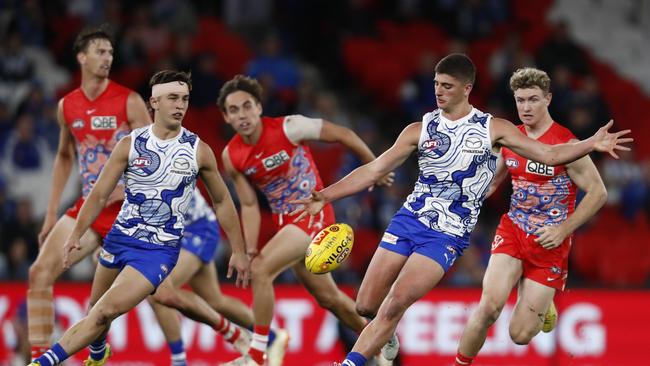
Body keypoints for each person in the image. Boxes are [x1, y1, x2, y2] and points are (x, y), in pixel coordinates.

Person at [292, 53, 632, 366]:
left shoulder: (494, 129)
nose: (439, 92)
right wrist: (326, 195)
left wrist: (591, 143)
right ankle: (386, 331)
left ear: (467, 88)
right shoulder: (419, 129)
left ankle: (352, 362)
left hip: (447, 233)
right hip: (409, 219)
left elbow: (549, 155)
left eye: (447, 86)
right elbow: (375, 169)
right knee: (366, 305)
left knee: (397, 303)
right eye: (437, 85)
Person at [28, 70, 250, 366]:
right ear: (154, 102)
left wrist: (237, 249)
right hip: (119, 237)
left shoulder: (199, 151)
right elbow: (98, 195)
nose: (179, 105)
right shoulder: (130, 145)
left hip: (157, 251)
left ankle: (41, 363)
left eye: (184, 98)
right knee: (96, 310)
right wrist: (75, 234)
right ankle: (97, 354)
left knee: (103, 312)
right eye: (172, 98)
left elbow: (222, 200)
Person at [218, 75, 394, 366]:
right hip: (286, 224)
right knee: (331, 300)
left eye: (247, 106)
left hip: (314, 214)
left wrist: (375, 167)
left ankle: (259, 354)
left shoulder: (290, 127)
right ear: (226, 117)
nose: (242, 114)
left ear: (259, 107)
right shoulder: (231, 155)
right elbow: (249, 203)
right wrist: (248, 248)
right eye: (234, 110)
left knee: (262, 270)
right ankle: (379, 338)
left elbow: (344, 134)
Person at [452, 67, 609, 366]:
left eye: (533, 100)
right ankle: (459, 363)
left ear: (548, 99)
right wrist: (467, 198)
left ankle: (544, 303)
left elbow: (598, 193)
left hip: (551, 242)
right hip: (513, 230)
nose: (526, 107)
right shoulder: (511, 137)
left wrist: (564, 229)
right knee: (488, 308)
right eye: (520, 100)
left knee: (520, 334)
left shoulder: (568, 144)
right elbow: (495, 180)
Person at [27, 25, 151, 360]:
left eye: (111, 52)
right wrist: (52, 213)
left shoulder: (130, 101)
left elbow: (155, 157)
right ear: (81, 57)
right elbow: (65, 156)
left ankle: (98, 348)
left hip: (129, 213)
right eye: (100, 51)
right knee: (39, 273)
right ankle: (39, 357)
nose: (107, 58)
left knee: (151, 298)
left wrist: (127, 186)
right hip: (89, 209)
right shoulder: (68, 106)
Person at [148, 188, 289, 366]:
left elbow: (220, 194)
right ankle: (272, 337)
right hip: (173, 233)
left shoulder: (138, 162)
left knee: (159, 290)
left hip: (196, 227)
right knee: (214, 301)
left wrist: (238, 249)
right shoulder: (111, 165)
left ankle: (182, 361)